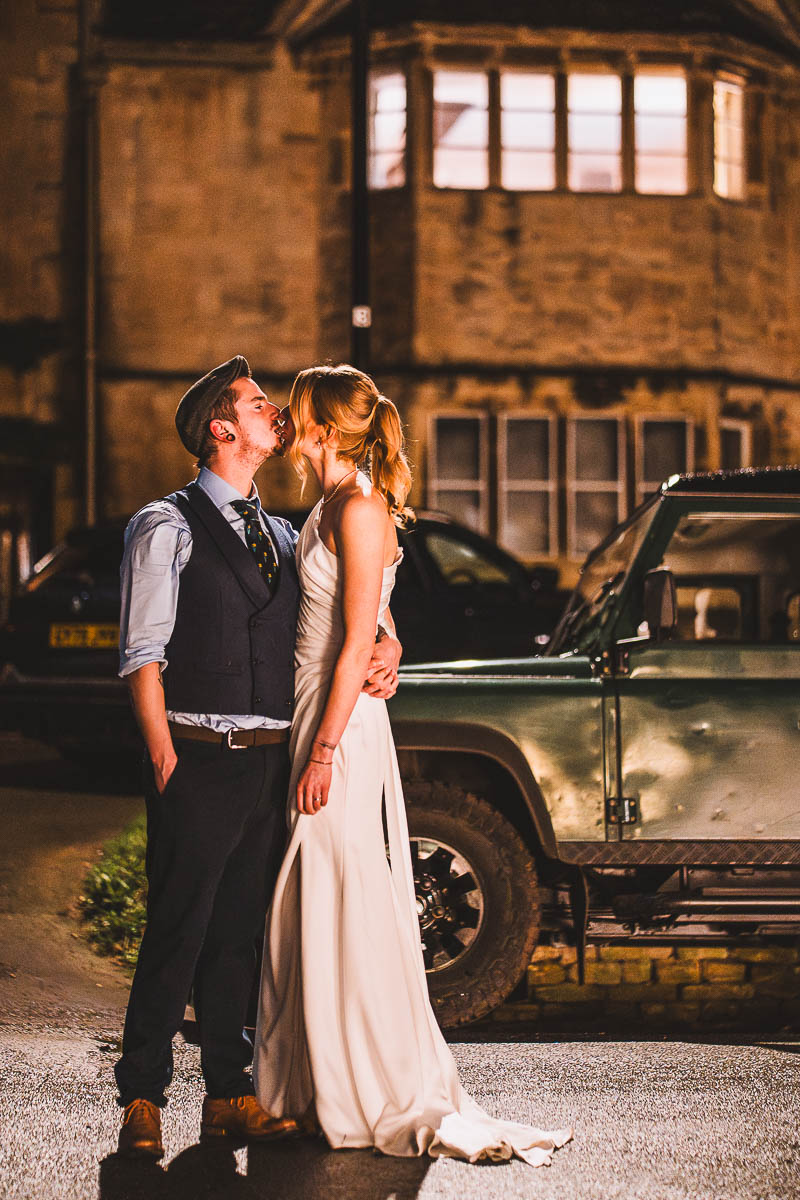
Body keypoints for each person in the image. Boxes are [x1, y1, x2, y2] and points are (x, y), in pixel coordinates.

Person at [253, 364, 573, 1167]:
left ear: (324, 426)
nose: (285, 418)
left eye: (296, 408)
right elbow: (374, 611)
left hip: (339, 720)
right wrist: (392, 639)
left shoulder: (360, 505)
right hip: (312, 703)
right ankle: (315, 1083)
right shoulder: (333, 501)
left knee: (339, 885)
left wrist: (325, 749)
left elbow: (355, 638)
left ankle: (358, 1084)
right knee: (312, 892)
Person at [114, 355, 401, 1158]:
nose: (275, 412)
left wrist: (390, 642)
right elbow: (141, 654)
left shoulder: (283, 533)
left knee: (240, 933)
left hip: (274, 757)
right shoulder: (165, 524)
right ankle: (142, 1096)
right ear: (221, 428)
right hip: (199, 757)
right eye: (257, 403)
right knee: (178, 929)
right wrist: (165, 760)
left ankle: (228, 1093)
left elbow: (350, 615)